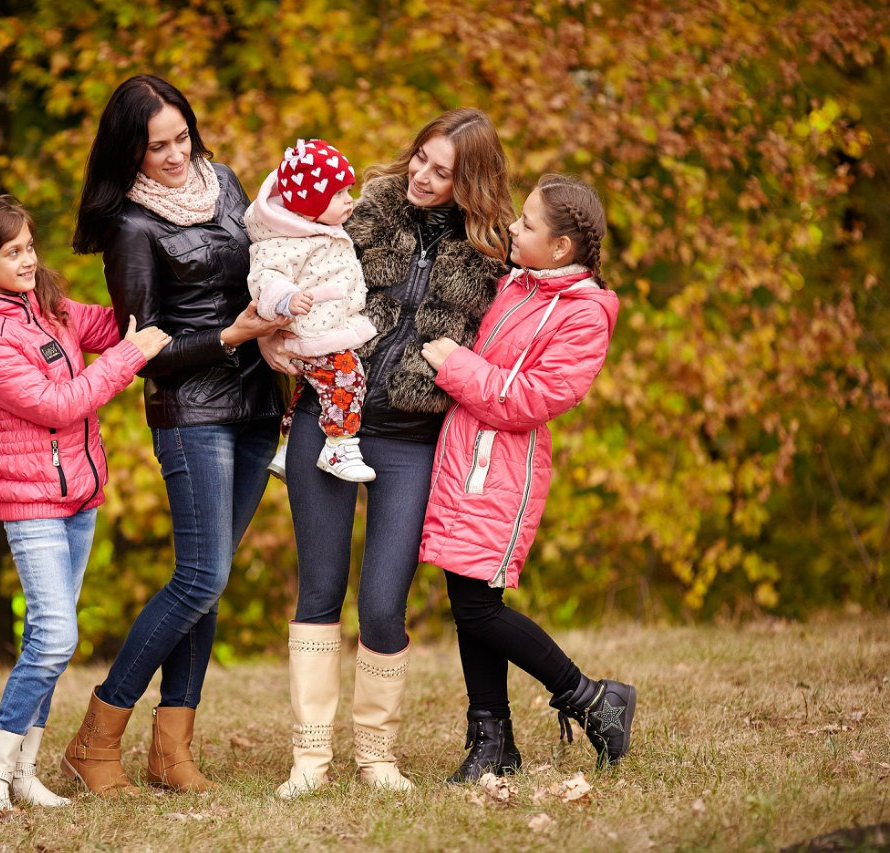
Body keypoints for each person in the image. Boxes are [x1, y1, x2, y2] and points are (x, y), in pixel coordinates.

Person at [260, 109, 513, 797]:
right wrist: (276, 336)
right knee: (320, 587)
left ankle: (377, 755)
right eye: (420, 160)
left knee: (380, 604)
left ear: (474, 183)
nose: (422, 178)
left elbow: (522, 328)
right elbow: (277, 243)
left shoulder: (492, 255)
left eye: (442, 171)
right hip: (328, 418)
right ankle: (310, 758)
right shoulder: (364, 208)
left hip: (410, 436)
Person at [64, 74, 287, 796]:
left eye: (179, 138)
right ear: (128, 150)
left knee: (208, 585)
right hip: (192, 412)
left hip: (258, 404)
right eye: (154, 145)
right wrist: (230, 335)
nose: (171, 156)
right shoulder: (130, 227)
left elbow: (269, 263)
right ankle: (96, 739)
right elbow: (143, 350)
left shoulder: (224, 184)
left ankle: (172, 752)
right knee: (200, 576)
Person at [0, 195, 171, 811]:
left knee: (49, 636)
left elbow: (102, 324)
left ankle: (23, 773)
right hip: (32, 499)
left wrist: (159, 284)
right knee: (53, 638)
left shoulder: (40, 306)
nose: (27, 259)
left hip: (80, 495)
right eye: (11, 252)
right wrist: (130, 357)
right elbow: (56, 404)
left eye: (29, 246)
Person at [417, 174, 635, 781]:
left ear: (561, 248)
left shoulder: (585, 315)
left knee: (478, 608)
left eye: (528, 224)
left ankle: (591, 699)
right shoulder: (516, 283)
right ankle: (495, 741)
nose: (514, 227)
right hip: (463, 454)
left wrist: (454, 364)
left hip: (502, 468)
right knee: (470, 600)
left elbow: (530, 399)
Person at [244, 138, 378, 483]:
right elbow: (265, 276)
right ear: (308, 203)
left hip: (323, 327)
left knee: (313, 386)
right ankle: (339, 444)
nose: (349, 201)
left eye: (348, 191)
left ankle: (288, 447)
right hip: (308, 331)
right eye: (337, 195)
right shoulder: (285, 239)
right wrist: (286, 299)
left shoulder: (319, 227)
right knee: (348, 376)